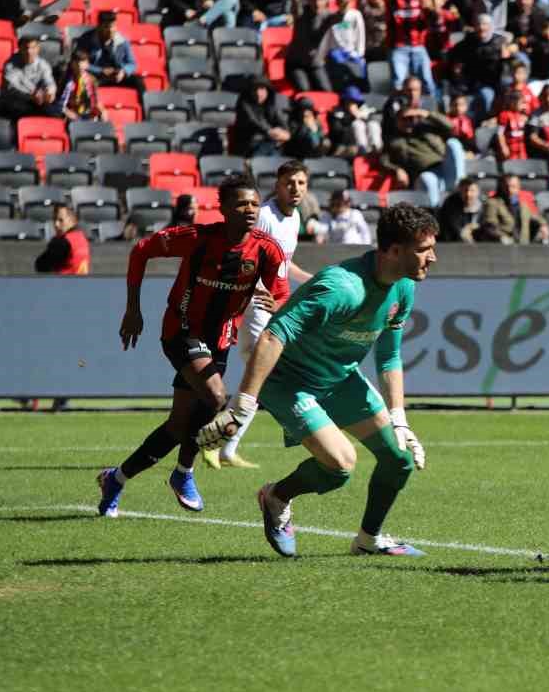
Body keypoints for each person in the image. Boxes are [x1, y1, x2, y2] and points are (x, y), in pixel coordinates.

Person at [197, 204, 437, 559]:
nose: (432, 258)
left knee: (398, 459)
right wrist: (242, 404)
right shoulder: (341, 288)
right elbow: (272, 336)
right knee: (340, 466)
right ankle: (276, 496)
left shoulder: (403, 287)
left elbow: (388, 356)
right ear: (393, 251)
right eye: (423, 250)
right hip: (291, 381)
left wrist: (400, 417)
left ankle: (368, 540)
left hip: (339, 378)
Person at [97, 175, 288, 518]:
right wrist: (133, 308)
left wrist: (277, 302)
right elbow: (141, 250)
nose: (249, 210)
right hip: (182, 331)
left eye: (254, 204)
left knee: (178, 425)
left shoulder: (266, 248)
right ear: (223, 208)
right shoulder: (197, 238)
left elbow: (282, 292)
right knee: (216, 397)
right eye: (241, 203)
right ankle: (184, 473)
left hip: (221, 339)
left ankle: (116, 479)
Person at [207, 162, 314, 471]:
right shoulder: (264, 216)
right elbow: (242, 256)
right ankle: (216, 441)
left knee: (258, 379)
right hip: (255, 309)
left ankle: (224, 446)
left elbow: (284, 266)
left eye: (301, 182)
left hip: (268, 309)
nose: (295, 188)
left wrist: (313, 282)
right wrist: (252, 293)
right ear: (277, 185)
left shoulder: (293, 221)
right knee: (261, 377)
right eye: (289, 182)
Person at [34, 204, 91, 275]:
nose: (56, 224)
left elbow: (40, 266)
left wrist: (53, 243)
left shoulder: (62, 243)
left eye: (61, 220)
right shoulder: (82, 238)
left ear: (73, 220)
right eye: (54, 219)